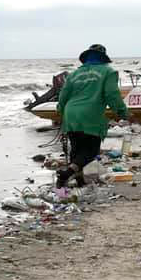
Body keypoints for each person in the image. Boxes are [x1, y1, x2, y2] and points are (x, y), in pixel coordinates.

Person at [55, 44, 129, 188]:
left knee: (77, 149)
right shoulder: (108, 72)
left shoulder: (74, 74)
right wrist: (122, 112)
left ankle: (78, 181)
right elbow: (111, 94)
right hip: (90, 115)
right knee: (91, 150)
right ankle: (67, 173)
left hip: (71, 114)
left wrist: (60, 111)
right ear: (103, 58)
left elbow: (63, 96)